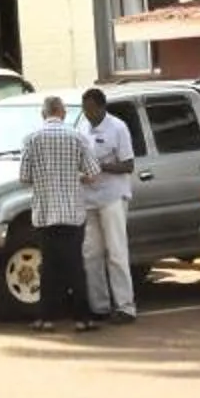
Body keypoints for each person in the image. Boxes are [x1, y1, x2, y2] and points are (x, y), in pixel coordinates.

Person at [17, 93, 102, 333]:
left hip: (45, 214)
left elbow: (24, 177)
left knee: (49, 269)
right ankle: (82, 319)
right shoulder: (77, 137)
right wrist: (76, 178)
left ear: (44, 113)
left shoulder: (31, 139)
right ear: (62, 113)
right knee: (75, 266)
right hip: (73, 214)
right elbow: (93, 174)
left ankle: (45, 318)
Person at [76, 87, 140, 323]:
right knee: (91, 253)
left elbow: (128, 165)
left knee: (116, 251)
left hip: (112, 196)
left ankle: (125, 306)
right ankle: (99, 306)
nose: (88, 114)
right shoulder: (81, 127)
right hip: (89, 197)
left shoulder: (118, 127)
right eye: (85, 110)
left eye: (92, 109)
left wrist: (100, 167)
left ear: (102, 107)